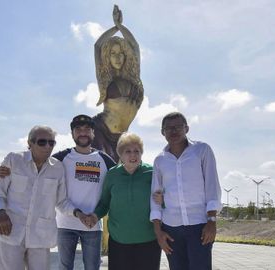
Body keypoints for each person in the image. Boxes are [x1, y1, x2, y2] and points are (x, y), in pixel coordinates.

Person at [0, 115, 116, 270]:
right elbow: (35, 162)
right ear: (72, 134)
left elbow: (121, 177)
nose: (83, 133)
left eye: (87, 129)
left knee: (93, 267)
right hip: (65, 225)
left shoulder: (104, 160)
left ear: (93, 133)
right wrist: (9, 168)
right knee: (64, 267)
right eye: (78, 130)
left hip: (93, 226)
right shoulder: (61, 158)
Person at [150, 112, 222, 270]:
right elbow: (155, 196)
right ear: (163, 132)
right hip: (171, 228)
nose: (173, 131)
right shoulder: (160, 160)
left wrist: (212, 222)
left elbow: (212, 187)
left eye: (177, 127)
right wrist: (158, 232)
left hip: (199, 226)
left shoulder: (202, 150)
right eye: (168, 128)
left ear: (187, 128)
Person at [0, 125, 69, 270]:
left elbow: (62, 201)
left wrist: (80, 213)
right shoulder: (14, 160)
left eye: (51, 143)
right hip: (11, 232)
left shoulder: (58, 168)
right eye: (42, 142)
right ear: (30, 143)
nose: (47, 146)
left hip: (41, 235)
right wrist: (1, 213)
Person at [86, 132, 161, 270]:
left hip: (149, 241)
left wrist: (163, 200)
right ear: (120, 154)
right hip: (119, 242)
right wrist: (95, 216)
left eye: (136, 151)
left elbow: (163, 201)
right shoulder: (112, 175)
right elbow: (104, 203)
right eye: (128, 151)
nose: (133, 155)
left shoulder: (152, 173)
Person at [92, 5, 144, 161]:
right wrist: (115, 27)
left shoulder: (133, 78)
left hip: (122, 136)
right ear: (108, 56)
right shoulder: (105, 79)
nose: (117, 57)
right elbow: (98, 46)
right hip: (100, 130)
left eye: (121, 53)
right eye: (113, 53)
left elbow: (134, 46)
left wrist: (121, 26)